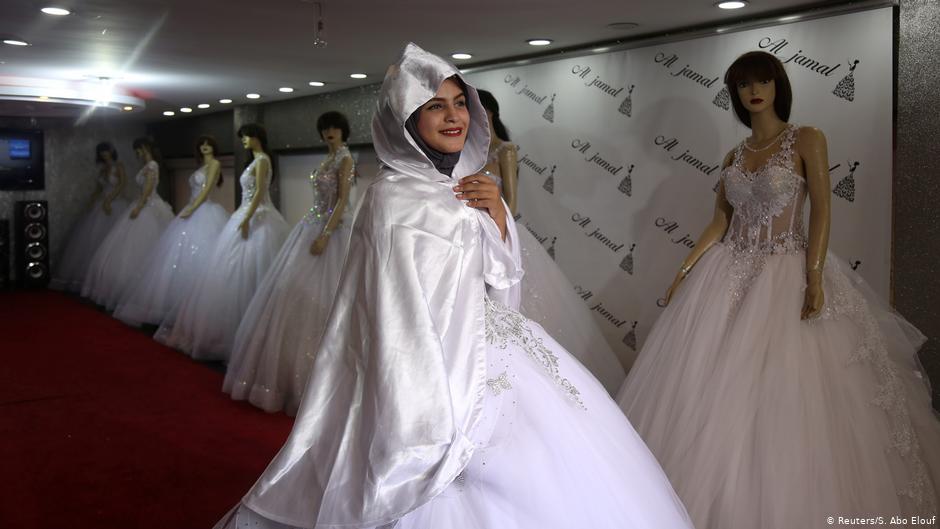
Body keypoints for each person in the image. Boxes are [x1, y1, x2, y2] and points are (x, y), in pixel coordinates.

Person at [213, 43, 693, 529]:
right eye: (435, 106)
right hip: (428, 368)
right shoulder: (389, 198)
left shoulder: (471, 184)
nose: (453, 116)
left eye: (460, 103)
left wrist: (498, 218)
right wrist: (425, 409)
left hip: (493, 348)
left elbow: (503, 281)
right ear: (407, 118)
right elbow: (393, 310)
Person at [617, 51, 940, 528]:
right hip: (728, 275)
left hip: (787, 270)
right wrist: (685, 268)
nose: (754, 90)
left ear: (776, 84)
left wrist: (812, 276)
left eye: (762, 80)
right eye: (744, 83)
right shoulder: (734, 156)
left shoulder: (807, 138)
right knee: (716, 388)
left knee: (792, 387)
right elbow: (719, 222)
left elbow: (824, 212)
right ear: (736, 94)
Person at [477, 88, 628, 390]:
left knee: (520, 307)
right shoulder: (466, 154)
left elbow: (512, 203)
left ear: (489, 113)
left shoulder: (504, 150)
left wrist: (495, 224)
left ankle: (541, 383)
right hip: (476, 238)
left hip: (502, 233)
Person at [223, 112, 356, 415]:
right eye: (324, 129)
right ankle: (290, 374)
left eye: (334, 128)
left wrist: (326, 234)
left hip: (331, 231)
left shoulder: (345, 159)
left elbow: (342, 201)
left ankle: (327, 380)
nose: (329, 133)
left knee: (327, 298)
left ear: (343, 131)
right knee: (293, 298)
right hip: (311, 225)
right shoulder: (328, 159)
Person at [155, 124, 289, 361]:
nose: (244, 140)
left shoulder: (262, 160)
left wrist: (247, 217)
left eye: (247, 136)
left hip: (258, 217)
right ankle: (236, 328)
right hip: (247, 213)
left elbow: (259, 192)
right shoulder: (255, 160)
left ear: (257, 137)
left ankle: (254, 329)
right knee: (233, 270)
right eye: (243, 137)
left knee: (251, 268)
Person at [114, 136, 228, 326]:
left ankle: (201, 307)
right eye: (202, 144)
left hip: (202, 210)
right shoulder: (200, 167)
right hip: (191, 209)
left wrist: (193, 208)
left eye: (208, 144)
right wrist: (190, 208)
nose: (205, 147)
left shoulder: (215, 164)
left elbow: (207, 190)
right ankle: (178, 305)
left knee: (203, 256)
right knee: (176, 257)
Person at [81, 137, 173, 309]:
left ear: (145, 148)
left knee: (146, 244)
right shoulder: (147, 165)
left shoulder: (152, 165)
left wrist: (139, 206)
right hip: (142, 202)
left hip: (149, 205)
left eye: (138, 149)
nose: (137, 153)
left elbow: (148, 188)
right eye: (136, 150)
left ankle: (146, 290)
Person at [51, 142, 128, 292]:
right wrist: (92, 201)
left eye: (106, 151)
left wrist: (109, 200)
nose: (104, 154)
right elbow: (99, 189)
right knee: (92, 240)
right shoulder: (102, 169)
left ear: (112, 151)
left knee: (113, 240)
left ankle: (110, 279)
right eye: (101, 152)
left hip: (115, 204)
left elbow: (122, 184)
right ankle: (91, 279)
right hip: (101, 204)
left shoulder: (119, 166)